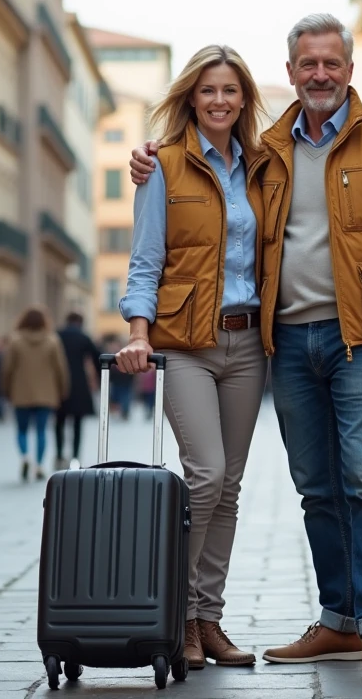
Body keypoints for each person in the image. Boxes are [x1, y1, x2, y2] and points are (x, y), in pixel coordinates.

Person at [129, 14, 362, 675]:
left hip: (357, 336)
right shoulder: (269, 150)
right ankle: (336, 619)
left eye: (331, 63)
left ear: (349, 68)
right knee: (310, 485)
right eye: (308, 64)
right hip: (280, 339)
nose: (320, 74)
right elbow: (171, 223)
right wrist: (150, 159)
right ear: (290, 73)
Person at [115, 44, 272, 670]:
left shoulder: (262, 166)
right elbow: (145, 258)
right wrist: (138, 332)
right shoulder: (163, 166)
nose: (219, 100)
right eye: (208, 90)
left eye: (230, 90)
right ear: (191, 98)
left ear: (244, 99)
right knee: (204, 474)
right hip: (184, 343)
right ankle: (177, 615)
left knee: (228, 487)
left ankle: (209, 621)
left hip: (248, 342)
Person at [2, 307, 69, 481]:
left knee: (22, 429)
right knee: (41, 430)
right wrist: (62, 389)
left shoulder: (15, 341)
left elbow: (7, 368)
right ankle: (39, 465)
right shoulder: (52, 341)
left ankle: (25, 456)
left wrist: (6, 389)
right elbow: (60, 369)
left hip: (20, 392)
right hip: (46, 393)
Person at [55, 312, 100, 470]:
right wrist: (100, 379)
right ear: (80, 322)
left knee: (59, 422)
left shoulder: (57, 336)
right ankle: (75, 456)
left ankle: (59, 455)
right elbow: (97, 357)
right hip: (79, 384)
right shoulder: (84, 337)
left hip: (60, 384)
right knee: (77, 424)